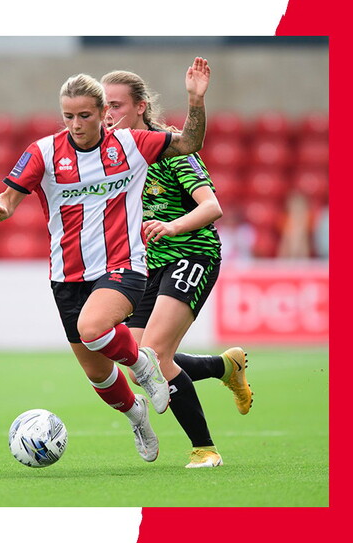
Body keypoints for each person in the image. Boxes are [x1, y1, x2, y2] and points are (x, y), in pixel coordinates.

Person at [0, 58, 212, 463]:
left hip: (123, 264)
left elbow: (189, 143)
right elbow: (9, 197)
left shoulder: (132, 145)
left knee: (92, 328)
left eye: (84, 115)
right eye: (68, 116)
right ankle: (137, 415)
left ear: (104, 113)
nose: (75, 124)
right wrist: (2, 209)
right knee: (98, 373)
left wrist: (195, 100)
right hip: (67, 275)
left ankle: (143, 366)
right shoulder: (43, 152)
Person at [101, 69, 253, 468]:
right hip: (150, 265)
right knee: (139, 365)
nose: (107, 114)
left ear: (140, 107)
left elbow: (212, 207)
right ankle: (225, 366)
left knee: (154, 353)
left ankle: (205, 449)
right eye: (104, 106)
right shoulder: (111, 157)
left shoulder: (170, 149)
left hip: (192, 253)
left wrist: (171, 226)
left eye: (115, 105)